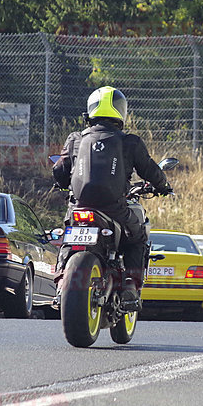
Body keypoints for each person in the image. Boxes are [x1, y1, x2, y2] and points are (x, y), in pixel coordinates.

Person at [52, 86, 173, 311]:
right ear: (121, 111)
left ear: (90, 110)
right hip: (114, 209)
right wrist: (163, 186)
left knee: (69, 239)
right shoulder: (130, 142)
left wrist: (62, 184)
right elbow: (150, 170)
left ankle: (60, 283)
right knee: (138, 237)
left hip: (79, 208)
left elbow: (59, 170)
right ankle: (130, 284)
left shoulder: (75, 139)